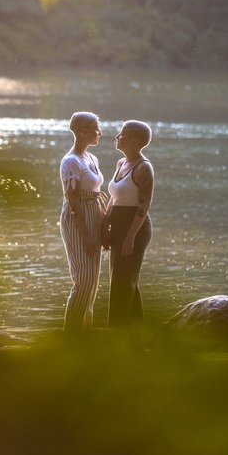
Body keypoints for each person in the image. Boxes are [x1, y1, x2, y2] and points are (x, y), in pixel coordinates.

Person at [105, 120, 154, 327]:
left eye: (122, 135)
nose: (117, 137)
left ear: (134, 142)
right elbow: (113, 198)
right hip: (117, 225)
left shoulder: (144, 168)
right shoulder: (121, 164)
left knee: (122, 283)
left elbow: (144, 206)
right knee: (124, 281)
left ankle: (116, 334)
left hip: (135, 226)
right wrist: (104, 225)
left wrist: (130, 237)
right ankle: (138, 336)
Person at [59, 112, 105, 331]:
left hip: (93, 214)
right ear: (83, 132)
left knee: (93, 280)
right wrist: (86, 234)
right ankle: (72, 334)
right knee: (83, 279)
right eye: (97, 128)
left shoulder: (91, 158)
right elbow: (73, 199)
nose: (100, 133)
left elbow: (96, 193)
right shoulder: (71, 161)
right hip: (79, 218)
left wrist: (104, 224)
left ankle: (84, 333)